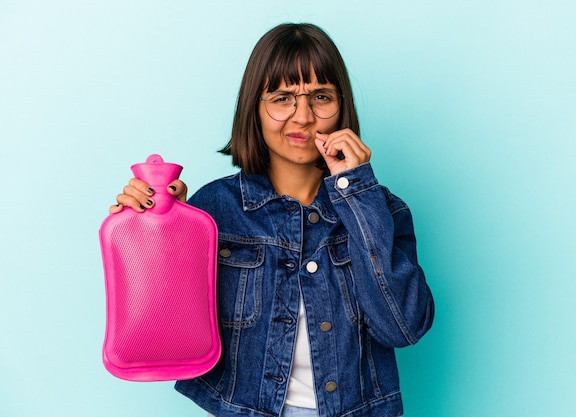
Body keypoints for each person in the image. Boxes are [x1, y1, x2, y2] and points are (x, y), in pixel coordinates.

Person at [110, 22, 434, 417]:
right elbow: (163, 323)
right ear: (255, 109)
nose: (302, 117)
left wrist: (358, 193)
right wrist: (152, 229)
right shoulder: (215, 210)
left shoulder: (380, 208)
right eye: (282, 98)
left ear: (341, 106)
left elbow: (402, 328)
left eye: (320, 96)